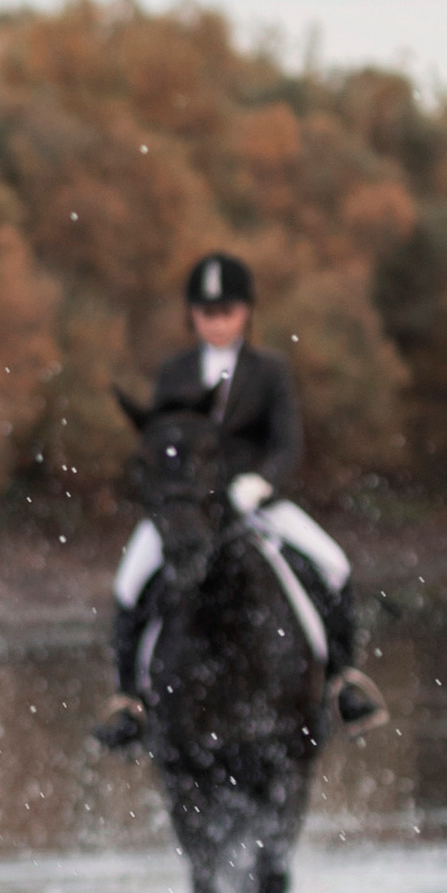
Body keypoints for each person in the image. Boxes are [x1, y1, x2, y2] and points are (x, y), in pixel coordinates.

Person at [102, 250, 386, 738]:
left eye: (226, 312)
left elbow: (287, 443)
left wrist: (261, 481)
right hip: (189, 508)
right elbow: (163, 442)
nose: (216, 322)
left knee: (334, 564)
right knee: (129, 584)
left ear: (246, 312)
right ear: (193, 314)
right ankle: (129, 701)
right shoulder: (175, 372)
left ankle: (342, 680)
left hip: (255, 503)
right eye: (206, 313)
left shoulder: (269, 370)